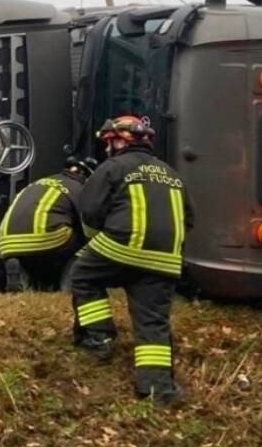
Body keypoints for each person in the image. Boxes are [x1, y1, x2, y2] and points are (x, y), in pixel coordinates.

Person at [70, 115, 194, 405]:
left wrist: (95, 240)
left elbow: (89, 211)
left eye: (110, 142)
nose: (108, 148)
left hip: (120, 247)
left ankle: (98, 339)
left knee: (83, 277)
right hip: (164, 260)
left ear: (121, 140)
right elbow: (189, 218)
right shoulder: (171, 173)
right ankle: (158, 391)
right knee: (152, 323)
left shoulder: (112, 168)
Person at [0, 157, 92, 291]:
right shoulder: (80, 188)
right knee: (91, 241)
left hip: (6, 242)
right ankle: (69, 284)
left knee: (32, 251)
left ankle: (19, 275)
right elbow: (89, 222)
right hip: (46, 240)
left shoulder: (38, 183)